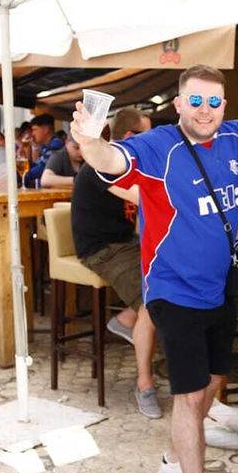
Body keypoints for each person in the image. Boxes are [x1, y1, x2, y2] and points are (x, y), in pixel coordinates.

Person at [72, 65, 238, 473]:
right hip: (172, 289)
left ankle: (177, 459)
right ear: (179, 104)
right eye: (195, 101)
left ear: (225, 104)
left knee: (215, 380)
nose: (205, 111)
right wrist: (90, 140)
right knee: (188, 390)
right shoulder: (159, 145)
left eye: (214, 102)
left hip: (221, 284)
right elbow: (112, 158)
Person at [72, 108, 161, 420]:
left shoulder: (130, 165)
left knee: (172, 276)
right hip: (102, 249)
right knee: (153, 300)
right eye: (148, 134)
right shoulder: (102, 165)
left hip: (125, 244)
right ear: (130, 137)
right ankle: (145, 384)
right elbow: (145, 198)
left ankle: (125, 321)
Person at [23, 114, 63, 188]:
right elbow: (36, 166)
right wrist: (28, 153)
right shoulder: (45, 146)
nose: (32, 134)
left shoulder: (56, 144)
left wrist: (23, 177)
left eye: (35, 129)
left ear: (46, 129)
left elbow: (42, 168)